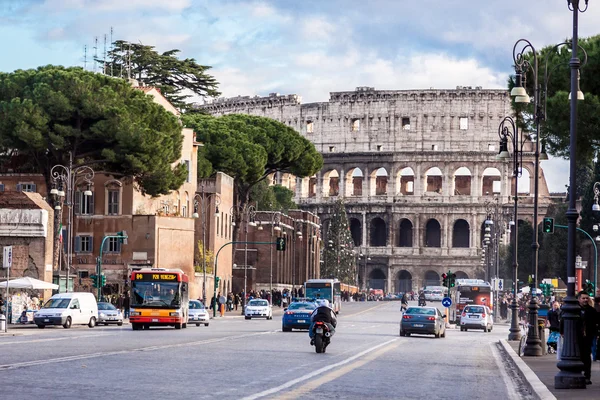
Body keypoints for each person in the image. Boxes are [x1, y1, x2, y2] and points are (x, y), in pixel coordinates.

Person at [577, 291, 599, 385]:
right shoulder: (575, 310)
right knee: (578, 355)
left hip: (588, 336)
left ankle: (587, 376)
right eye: (583, 298)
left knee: (586, 356)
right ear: (579, 299)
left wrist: (596, 333)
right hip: (577, 336)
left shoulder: (592, 310)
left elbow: (597, 322)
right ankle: (579, 373)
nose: (585, 300)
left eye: (587, 298)